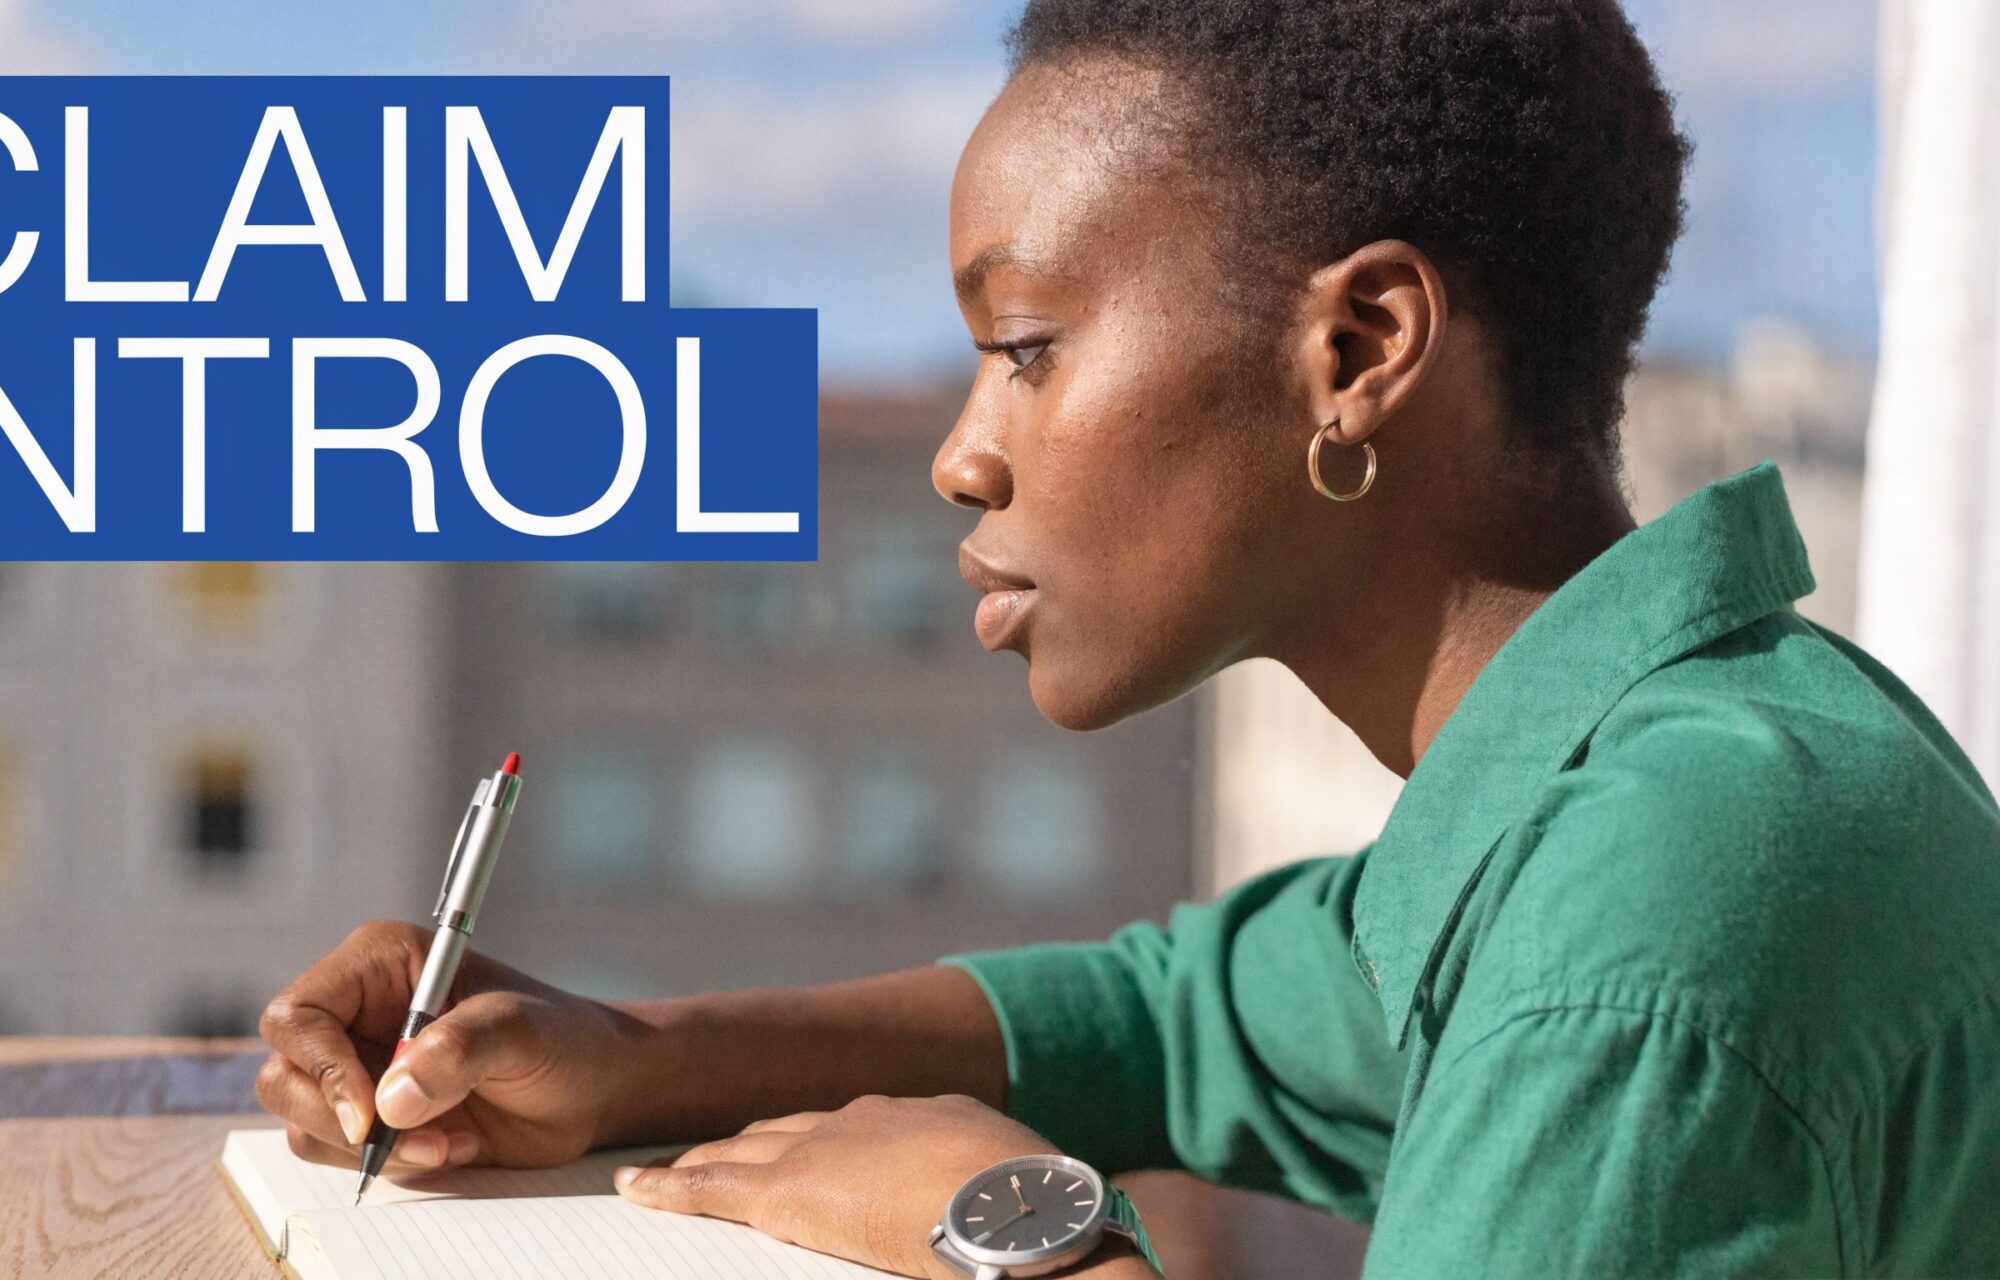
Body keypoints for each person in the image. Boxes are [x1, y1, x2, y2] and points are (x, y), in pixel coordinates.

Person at [257, 1, 2000, 1275]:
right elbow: (1172, 1026)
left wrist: (1012, 1239)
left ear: (1359, 348)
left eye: (1024, 345)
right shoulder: (1630, 778)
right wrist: (640, 1057)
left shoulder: (1662, 909)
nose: (963, 455)